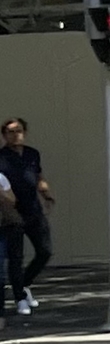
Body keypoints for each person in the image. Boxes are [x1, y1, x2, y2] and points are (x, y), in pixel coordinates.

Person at [0, 119, 48, 314]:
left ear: (24, 133)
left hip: (33, 210)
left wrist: (46, 193)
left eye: (18, 131)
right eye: (10, 132)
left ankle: (25, 283)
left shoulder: (32, 154)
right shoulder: (1, 157)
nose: (15, 135)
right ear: (4, 135)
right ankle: (20, 297)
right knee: (15, 257)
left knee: (45, 250)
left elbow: (38, 175)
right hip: (12, 213)